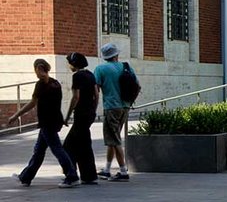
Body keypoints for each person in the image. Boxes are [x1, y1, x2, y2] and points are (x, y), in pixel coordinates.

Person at [7, 58, 79, 188]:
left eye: (35, 70)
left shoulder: (41, 85)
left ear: (39, 69)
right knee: (39, 150)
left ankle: (72, 175)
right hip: (55, 120)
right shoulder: (56, 83)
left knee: (57, 149)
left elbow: (32, 103)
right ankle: (26, 177)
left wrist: (16, 115)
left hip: (47, 122)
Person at [94, 43, 136, 181]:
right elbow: (138, 86)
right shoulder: (126, 67)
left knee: (115, 139)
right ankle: (106, 169)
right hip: (125, 106)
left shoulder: (100, 69)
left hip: (111, 107)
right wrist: (130, 102)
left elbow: (96, 90)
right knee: (113, 138)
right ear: (116, 55)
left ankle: (123, 172)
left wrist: (94, 107)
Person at [63, 52, 99, 184]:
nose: (68, 65)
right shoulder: (90, 75)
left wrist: (67, 116)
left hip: (81, 114)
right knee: (84, 145)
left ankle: (71, 175)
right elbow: (96, 94)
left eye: (69, 63)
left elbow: (76, 97)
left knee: (67, 146)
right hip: (89, 114)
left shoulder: (77, 76)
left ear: (74, 64)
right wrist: (93, 110)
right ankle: (89, 176)